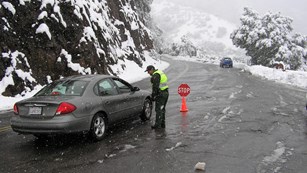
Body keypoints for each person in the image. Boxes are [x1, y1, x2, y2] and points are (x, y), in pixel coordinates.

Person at [145, 65, 169, 129]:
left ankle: (158, 125)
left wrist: (153, 96)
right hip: (165, 93)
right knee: (162, 109)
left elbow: (155, 87)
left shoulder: (156, 75)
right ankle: (162, 124)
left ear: (152, 69)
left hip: (160, 94)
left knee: (158, 109)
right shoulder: (160, 72)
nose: (148, 73)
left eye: (148, 71)